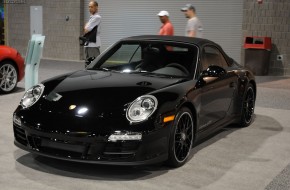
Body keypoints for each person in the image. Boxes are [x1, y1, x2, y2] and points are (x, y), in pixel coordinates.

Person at [84, 1, 101, 67]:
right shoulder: (92, 17)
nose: (89, 8)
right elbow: (86, 29)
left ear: (96, 7)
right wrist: (86, 27)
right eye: (89, 7)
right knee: (88, 64)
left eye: (91, 7)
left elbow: (86, 30)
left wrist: (86, 27)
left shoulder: (97, 17)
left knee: (94, 64)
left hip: (93, 44)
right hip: (89, 43)